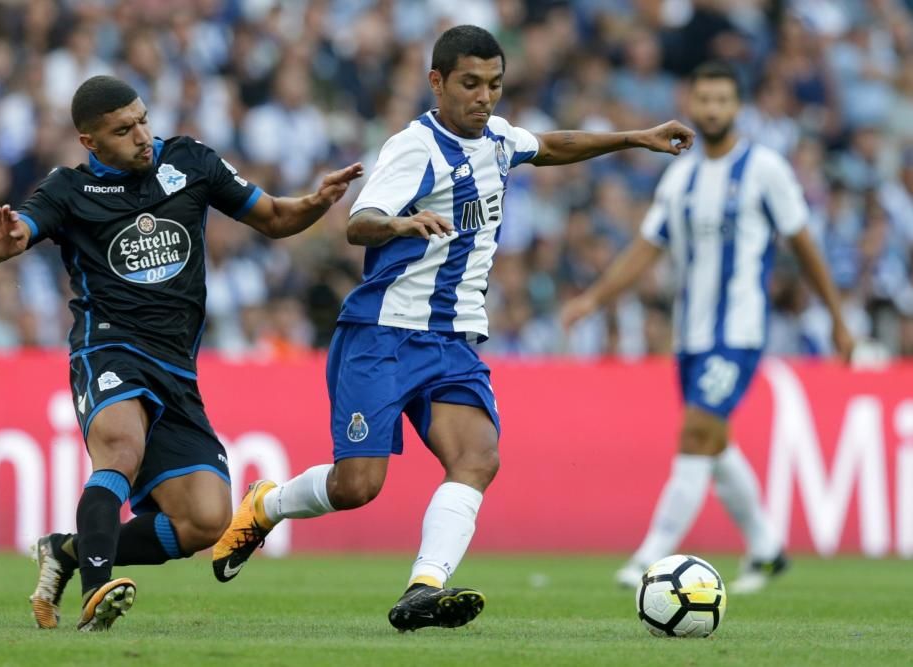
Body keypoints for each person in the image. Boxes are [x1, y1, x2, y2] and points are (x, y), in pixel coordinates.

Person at [210, 25, 694, 631]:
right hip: (383, 334)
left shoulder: (495, 139)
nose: (484, 97)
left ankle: (424, 585)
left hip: (452, 338)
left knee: (478, 457)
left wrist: (634, 138)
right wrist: (401, 225)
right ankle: (268, 504)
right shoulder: (415, 148)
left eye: (494, 84)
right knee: (358, 486)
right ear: (437, 82)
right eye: (470, 84)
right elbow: (359, 223)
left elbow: (549, 144)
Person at [0, 75, 362, 631]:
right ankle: (94, 591)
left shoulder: (190, 162)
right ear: (90, 141)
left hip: (176, 367)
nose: (142, 135)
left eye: (143, 120)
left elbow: (274, 217)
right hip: (107, 348)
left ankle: (68, 551)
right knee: (121, 450)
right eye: (123, 130)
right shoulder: (68, 190)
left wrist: (316, 202)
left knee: (205, 518)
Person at [560, 61, 854, 594]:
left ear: (736, 106)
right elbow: (646, 248)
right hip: (690, 336)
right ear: (691, 104)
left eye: (723, 99)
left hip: (738, 333)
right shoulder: (681, 177)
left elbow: (804, 245)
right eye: (705, 99)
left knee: (697, 432)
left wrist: (837, 318)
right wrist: (593, 298)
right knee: (714, 442)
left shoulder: (765, 169)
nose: (713, 109)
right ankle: (767, 549)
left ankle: (651, 555)